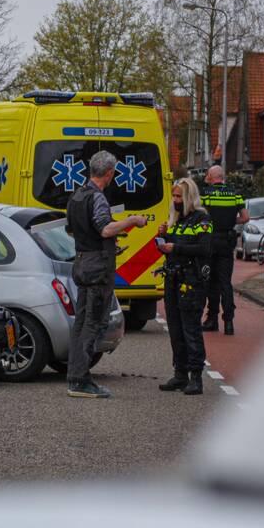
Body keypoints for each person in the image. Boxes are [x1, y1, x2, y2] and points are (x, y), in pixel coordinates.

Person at [65, 150, 149, 399]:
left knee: (80, 324)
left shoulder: (76, 196)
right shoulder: (97, 198)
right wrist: (131, 220)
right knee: (94, 322)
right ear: (110, 173)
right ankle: (81, 381)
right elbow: (104, 229)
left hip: (81, 262)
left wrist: (108, 246)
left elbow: (72, 230)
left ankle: (73, 376)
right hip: (97, 269)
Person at [156, 178, 213, 395]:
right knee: (175, 329)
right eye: (174, 196)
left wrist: (175, 247)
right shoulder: (176, 219)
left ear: (188, 197)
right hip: (173, 279)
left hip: (191, 281)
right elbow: (174, 245)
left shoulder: (203, 218)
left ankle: (196, 377)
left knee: (191, 329)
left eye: (179, 196)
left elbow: (205, 248)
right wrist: (163, 237)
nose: (175, 200)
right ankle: (180, 374)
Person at [200, 166, 248, 335]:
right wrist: (230, 220)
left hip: (210, 241)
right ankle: (229, 322)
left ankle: (212, 319)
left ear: (211, 177)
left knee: (210, 282)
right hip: (227, 242)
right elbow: (245, 217)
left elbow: (199, 216)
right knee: (225, 282)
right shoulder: (235, 194)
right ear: (223, 177)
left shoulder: (206, 194)